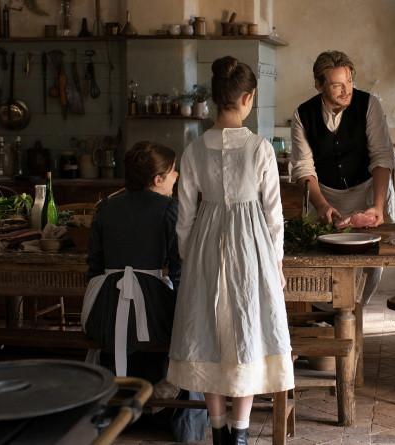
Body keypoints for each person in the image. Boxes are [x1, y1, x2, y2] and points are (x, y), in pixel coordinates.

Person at [167, 56, 294, 445]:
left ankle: (218, 428)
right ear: (247, 97)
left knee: (207, 334)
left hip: (205, 243)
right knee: (248, 330)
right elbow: (274, 215)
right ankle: (239, 433)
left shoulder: (193, 149)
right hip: (251, 247)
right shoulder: (259, 148)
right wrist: (275, 263)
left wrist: (192, 259)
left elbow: (183, 216)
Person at [82, 141, 206, 441]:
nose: (177, 177)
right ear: (158, 179)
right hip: (149, 314)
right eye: (173, 172)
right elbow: (179, 271)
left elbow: (94, 267)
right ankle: (171, 406)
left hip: (104, 310)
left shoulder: (106, 207)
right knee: (192, 324)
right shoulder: (169, 209)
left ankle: (121, 402)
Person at [290, 50, 395, 304]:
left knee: (369, 265)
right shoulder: (303, 115)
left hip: (366, 192)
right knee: (322, 262)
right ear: (319, 85)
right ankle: (332, 317)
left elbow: (382, 158)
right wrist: (322, 205)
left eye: (349, 82)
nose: (346, 90)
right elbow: (304, 168)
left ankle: (354, 314)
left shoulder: (369, 105)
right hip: (325, 195)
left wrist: (378, 206)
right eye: (337, 85)